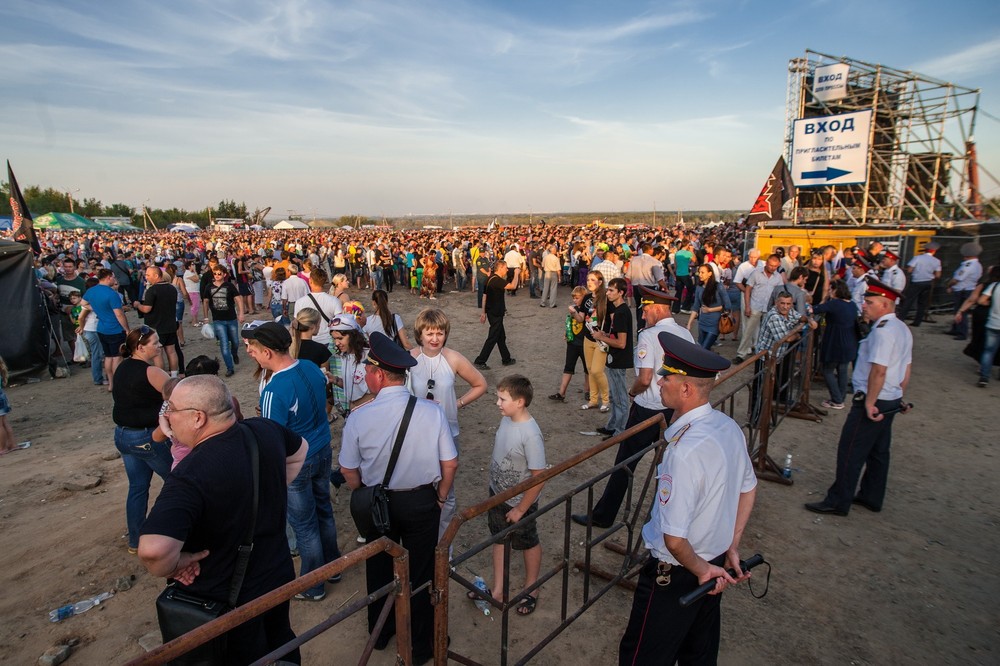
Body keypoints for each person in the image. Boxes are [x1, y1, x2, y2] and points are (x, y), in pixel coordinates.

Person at [138, 375, 306, 665]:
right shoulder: (263, 430)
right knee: (280, 643)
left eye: (171, 409)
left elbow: (153, 550)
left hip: (227, 598)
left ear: (198, 418)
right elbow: (300, 449)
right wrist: (270, 491)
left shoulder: (189, 474)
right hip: (275, 576)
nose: (167, 417)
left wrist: (178, 563)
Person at [618, 333, 757, 665]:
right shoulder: (727, 426)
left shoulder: (684, 451)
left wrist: (703, 570)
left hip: (679, 573)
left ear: (686, 389)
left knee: (642, 656)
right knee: (698, 654)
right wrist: (730, 547)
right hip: (713, 561)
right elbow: (748, 488)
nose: (660, 381)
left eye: (667, 376)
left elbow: (675, 540)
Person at [339, 332, 458, 664]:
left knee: (379, 566)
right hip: (422, 502)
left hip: (379, 503)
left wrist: (363, 493)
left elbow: (348, 469)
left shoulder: (359, 417)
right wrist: (441, 496)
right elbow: (450, 463)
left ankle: (381, 631)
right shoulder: (431, 412)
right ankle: (422, 645)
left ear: (377, 375)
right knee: (421, 573)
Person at [572, 287, 693, 529]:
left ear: (657, 309)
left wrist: (632, 392)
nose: (644, 315)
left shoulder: (649, 336)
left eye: (646, 310)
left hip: (648, 409)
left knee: (625, 463)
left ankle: (604, 515)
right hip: (676, 411)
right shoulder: (685, 334)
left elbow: (645, 378)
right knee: (670, 466)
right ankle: (669, 520)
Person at [243, 321, 342, 601]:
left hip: (297, 461)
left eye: (254, 348)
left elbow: (272, 438)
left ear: (268, 353)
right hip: (322, 448)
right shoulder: (310, 367)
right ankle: (333, 566)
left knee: (304, 525)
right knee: (323, 509)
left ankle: (313, 585)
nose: (250, 352)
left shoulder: (274, 390)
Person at [806, 279, 913, 516]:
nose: (864, 306)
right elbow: (906, 368)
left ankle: (838, 500)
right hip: (890, 397)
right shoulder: (901, 329)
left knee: (851, 451)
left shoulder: (884, 332)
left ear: (885, 305)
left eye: (870, 302)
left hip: (875, 399)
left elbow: (879, 370)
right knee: (878, 451)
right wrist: (899, 395)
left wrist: (870, 402)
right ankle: (871, 495)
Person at [409, 308, 487, 537]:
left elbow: (481, 384)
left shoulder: (453, 358)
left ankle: (444, 547)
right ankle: (422, 540)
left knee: (446, 492)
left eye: (440, 333)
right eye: (429, 333)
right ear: (420, 334)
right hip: (417, 435)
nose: (435, 339)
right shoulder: (410, 358)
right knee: (418, 490)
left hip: (446, 434)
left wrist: (458, 403)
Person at [478, 374, 546, 615]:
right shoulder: (507, 419)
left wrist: (521, 508)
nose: (498, 403)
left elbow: (539, 475)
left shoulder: (530, 434)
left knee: (528, 541)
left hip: (519, 503)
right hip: (498, 495)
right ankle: (498, 590)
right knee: (499, 538)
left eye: (502, 399)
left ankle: (532, 587)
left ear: (520, 402)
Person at [112, 326, 174, 554]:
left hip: (123, 435)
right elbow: (176, 394)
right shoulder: (152, 372)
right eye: (154, 343)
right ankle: (170, 531)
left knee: (137, 487)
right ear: (140, 347)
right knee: (178, 482)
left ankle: (136, 539)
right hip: (145, 436)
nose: (159, 346)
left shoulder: (122, 367)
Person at [593, 278, 634, 437]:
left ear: (621, 293)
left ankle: (620, 431)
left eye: (611, 290)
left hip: (618, 360)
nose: (608, 293)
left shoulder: (621, 313)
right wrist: (605, 334)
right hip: (614, 359)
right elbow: (617, 337)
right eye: (608, 290)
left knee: (620, 398)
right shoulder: (619, 312)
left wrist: (601, 337)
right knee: (614, 396)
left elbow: (621, 343)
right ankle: (612, 426)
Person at [813, 280, 860, 409]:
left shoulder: (834, 304)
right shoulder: (852, 304)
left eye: (830, 289)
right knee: (842, 370)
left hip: (835, 341)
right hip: (849, 340)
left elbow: (815, 309)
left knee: (827, 370)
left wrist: (824, 299)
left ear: (835, 290)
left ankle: (837, 399)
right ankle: (841, 397)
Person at [734, 254, 784, 364]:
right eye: (770, 265)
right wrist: (747, 306)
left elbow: (780, 293)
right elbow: (748, 290)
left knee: (766, 332)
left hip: (769, 308)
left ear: (778, 265)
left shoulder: (778, 277)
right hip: (755, 306)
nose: (772, 268)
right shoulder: (756, 273)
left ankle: (762, 354)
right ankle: (741, 354)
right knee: (748, 331)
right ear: (766, 263)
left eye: (775, 266)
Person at [87, 269, 130, 392]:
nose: (115, 279)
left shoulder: (92, 291)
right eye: (113, 277)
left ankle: (111, 383)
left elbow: (83, 303)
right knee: (117, 357)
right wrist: (126, 329)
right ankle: (117, 383)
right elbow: (119, 314)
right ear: (109, 277)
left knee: (108, 357)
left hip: (101, 328)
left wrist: (97, 309)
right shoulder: (112, 294)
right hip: (114, 328)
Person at [133, 266, 180, 376]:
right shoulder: (172, 288)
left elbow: (146, 309)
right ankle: (174, 375)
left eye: (148, 275)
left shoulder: (152, 290)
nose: (146, 277)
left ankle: (162, 376)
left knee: (157, 353)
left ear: (156, 275)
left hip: (156, 326)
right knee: (171, 351)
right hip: (170, 324)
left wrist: (138, 305)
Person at [576, 270, 610, 411]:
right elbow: (581, 319)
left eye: (593, 280)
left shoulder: (606, 298)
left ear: (600, 282)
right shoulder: (586, 298)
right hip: (587, 337)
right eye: (588, 279)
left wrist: (606, 334)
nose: (589, 282)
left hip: (601, 339)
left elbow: (610, 319)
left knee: (597, 370)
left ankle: (606, 400)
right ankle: (593, 400)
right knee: (590, 370)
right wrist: (573, 312)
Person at [473, 259, 517, 370]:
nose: (507, 270)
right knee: (493, 337)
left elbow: (484, 296)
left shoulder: (490, 279)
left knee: (501, 336)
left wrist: (483, 312)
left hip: (492, 312)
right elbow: (512, 286)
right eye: (505, 267)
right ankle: (480, 360)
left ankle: (506, 358)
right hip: (496, 312)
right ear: (501, 268)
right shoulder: (497, 280)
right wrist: (516, 274)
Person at [549, 286, 591, 402]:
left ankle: (588, 391)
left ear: (584, 297)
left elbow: (580, 320)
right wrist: (567, 332)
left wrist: (574, 313)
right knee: (568, 367)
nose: (574, 300)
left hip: (584, 343)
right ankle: (561, 393)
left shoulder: (587, 310)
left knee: (587, 369)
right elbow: (570, 322)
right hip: (572, 342)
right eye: (573, 298)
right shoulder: (573, 308)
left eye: (577, 298)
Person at [204, 264, 244, 377]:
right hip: (218, 320)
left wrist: (241, 313)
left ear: (224, 274)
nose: (216, 275)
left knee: (235, 342)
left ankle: (234, 353)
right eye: (215, 273)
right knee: (224, 344)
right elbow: (205, 302)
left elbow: (238, 299)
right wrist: (206, 317)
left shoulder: (229, 286)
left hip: (231, 319)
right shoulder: (209, 287)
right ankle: (229, 367)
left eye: (219, 273)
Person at [293, 267, 343, 347]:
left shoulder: (300, 302)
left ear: (310, 281)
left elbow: (296, 324)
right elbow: (339, 322)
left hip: (308, 340)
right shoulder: (334, 300)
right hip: (328, 340)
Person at [687, 263, 732, 349]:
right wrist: (689, 324)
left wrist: (710, 310)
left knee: (704, 349)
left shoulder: (718, 286)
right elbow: (696, 306)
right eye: (699, 272)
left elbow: (728, 305)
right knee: (701, 348)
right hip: (702, 323)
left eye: (702, 272)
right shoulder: (699, 287)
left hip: (714, 323)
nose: (700, 275)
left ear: (710, 274)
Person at [944, 243, 983, 341]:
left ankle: (962, 332)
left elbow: (957, 279)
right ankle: (956, 328)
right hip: (968, 288)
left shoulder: (967, 266)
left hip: (963, 290)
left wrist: (949, 285)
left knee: (961, 312)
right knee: (959, 311)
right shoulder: (978, 265)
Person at [898, 241, 942, 326]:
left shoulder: (917, 258)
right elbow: (938, 275)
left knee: (909, 300)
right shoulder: (937, 261)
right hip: (928, 282)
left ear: (925, 250)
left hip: (916, 281)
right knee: (922, 303)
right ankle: (917, 321)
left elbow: (910, 270)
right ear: (934, 251)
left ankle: (901, 318)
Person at [626, 242, 668, 330]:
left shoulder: (634, 260)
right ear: (650, 250)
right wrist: (666, 288)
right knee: (649, 309)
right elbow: (660, 279)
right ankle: (647, 328)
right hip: (649, 288)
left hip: (636, 287)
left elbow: (628, 276)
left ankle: (639, 328)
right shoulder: (654, 262)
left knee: (639, 308)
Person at [0, 355, 30, 455]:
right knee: (4, 423)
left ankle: (2, 448)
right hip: (2, 397)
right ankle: (12, 444)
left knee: (0, 425)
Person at [539, 243, 562, 308]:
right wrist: (559, 277)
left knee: (545, 288)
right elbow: (558, 269)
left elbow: (542, 266)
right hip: (554, 273)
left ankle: (542, 302)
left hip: (547, 272)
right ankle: (552, 303)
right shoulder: (556, 258)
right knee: (553, 288)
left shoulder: (545, 257)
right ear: (554, 251)